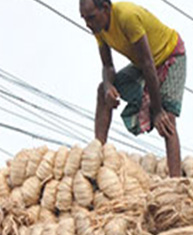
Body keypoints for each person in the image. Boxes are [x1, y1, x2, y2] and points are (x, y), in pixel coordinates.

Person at [79, 0, 186, 177]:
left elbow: (148, 64)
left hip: (169, 54)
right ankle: (97, 154)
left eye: (91, 17)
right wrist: (108, 87)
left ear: (105, 8)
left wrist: (158, 111)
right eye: (84, 19)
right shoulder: (98, 29)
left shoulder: (127, 17)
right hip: (144, 63)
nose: (88, 24)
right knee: (102, 90)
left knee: (167, 117)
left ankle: (176, 182)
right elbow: (108, 66)